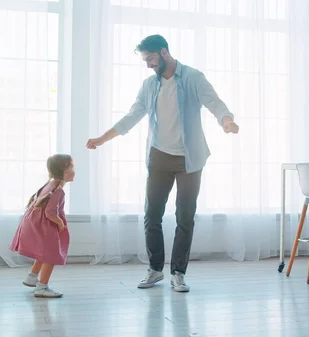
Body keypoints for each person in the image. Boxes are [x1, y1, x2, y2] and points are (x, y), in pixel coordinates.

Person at [86, 34, 239, 292]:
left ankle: (178, 273)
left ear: (165, 53)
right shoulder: (149, 85)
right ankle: (155, 270)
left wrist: (226, 120)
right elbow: (132, 116)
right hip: (159, 156)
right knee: (152, 215)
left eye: (151, 59)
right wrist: (103, 138)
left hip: (190, 157)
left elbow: (214, 102)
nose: (148, 65)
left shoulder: (193, 78)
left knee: (185, 217)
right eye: (146, 60)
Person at [10, 154, 74, 298]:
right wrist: (60, 223)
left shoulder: (49, 185)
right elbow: (50, 213)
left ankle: (32, 277)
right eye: (72, 167)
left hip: (34, 224)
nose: (74, 171)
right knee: (50, 256)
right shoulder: (58, 190)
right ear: (64, 171)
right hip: (45, 227)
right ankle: (42, 287)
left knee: (43, 252)